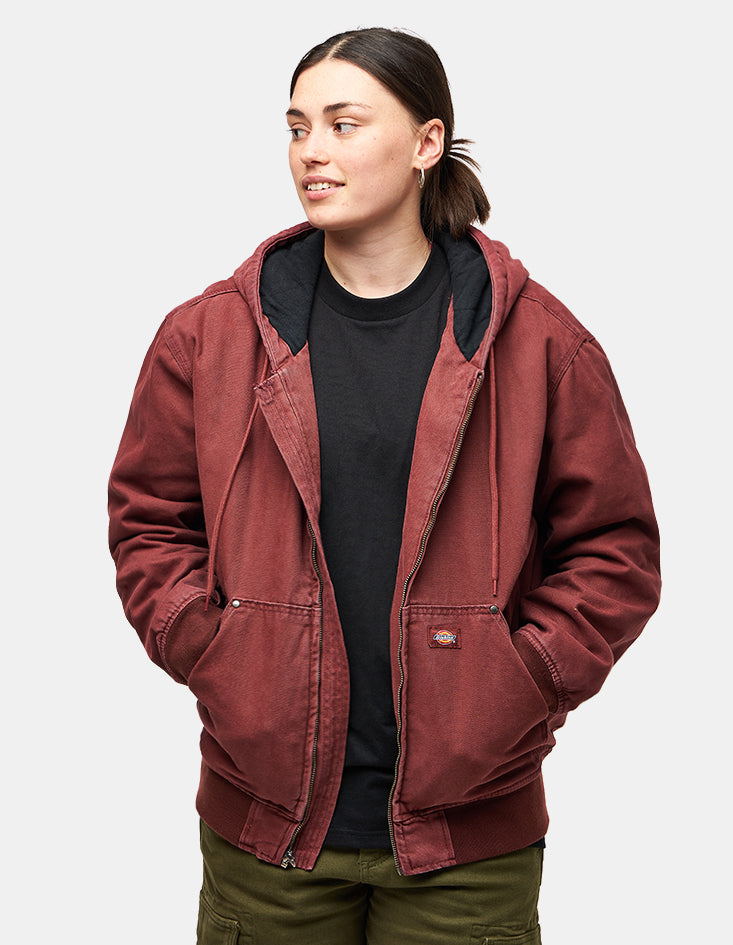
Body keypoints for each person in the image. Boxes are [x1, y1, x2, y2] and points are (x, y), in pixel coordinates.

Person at [108, 26, 661, 945]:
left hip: (469, 843)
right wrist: (216, 649)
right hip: (267, 831)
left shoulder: (540, 342)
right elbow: (149, 522)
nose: (310, 151)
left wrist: (521, 679)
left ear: (426, 142)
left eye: (343, 123)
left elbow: (614, 548)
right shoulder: (208, 338)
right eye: (296, 127)